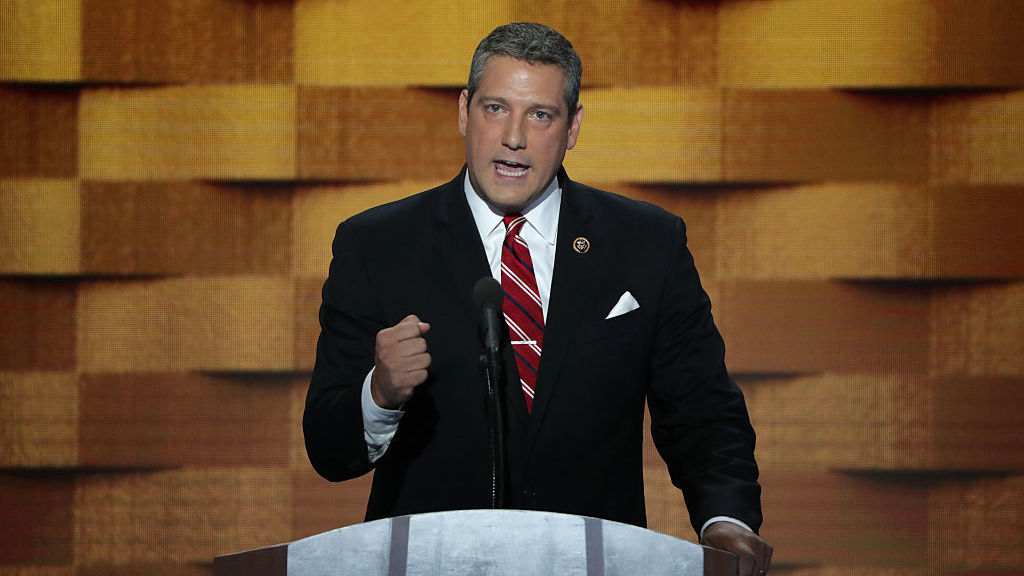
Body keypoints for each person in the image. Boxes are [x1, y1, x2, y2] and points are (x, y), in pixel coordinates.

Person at [304, 22, 773, 576]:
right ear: (463, 111)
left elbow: (702, 411)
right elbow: (330, 450)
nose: (514, 137)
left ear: (572, 127)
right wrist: (379, 394)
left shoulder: (646, 243)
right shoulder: (376, 244)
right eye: (496, 109)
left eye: (540, 115)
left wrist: (725, 519)